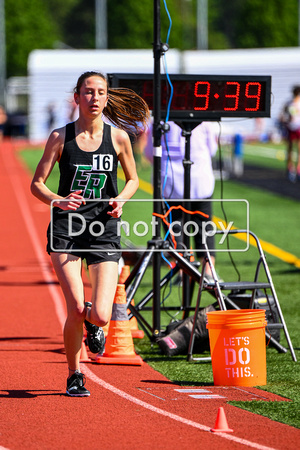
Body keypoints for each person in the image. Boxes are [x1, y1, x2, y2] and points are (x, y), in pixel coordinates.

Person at [31, 71, 149, 397]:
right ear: (77, 97)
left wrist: (120, 200)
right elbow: (37, 184)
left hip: (103, 228)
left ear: (107, 98)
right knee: (76, 309)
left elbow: (133, 180)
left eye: (100, 92)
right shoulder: (60, 137)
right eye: (88, 92)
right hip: (66, 230)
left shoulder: (119, 138)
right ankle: (74, 374)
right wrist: (59, 200)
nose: (94, 98)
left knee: (100, 313)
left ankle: (93, 324)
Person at [143, 121, 218, 279]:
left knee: (175, 229)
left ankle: (184, 270)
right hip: (199, 180)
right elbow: (212, 149)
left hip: (169, 182)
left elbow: (150, 153)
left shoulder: (160, 119)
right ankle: (208, 270)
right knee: (204, 227)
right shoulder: (205, 120)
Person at [279, 85, 300, 182]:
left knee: (298, 149)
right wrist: (285, 121)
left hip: (298, 128)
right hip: (291, 127)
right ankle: (290, 169)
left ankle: (298, 170)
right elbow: (282, 115)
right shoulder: (288, 103)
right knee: (290, 149)